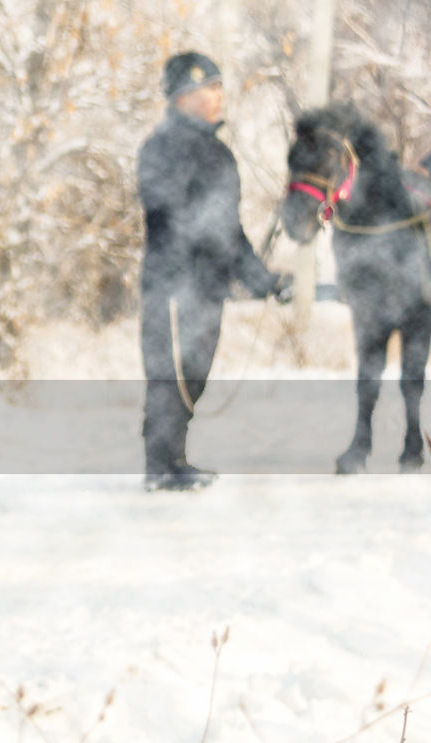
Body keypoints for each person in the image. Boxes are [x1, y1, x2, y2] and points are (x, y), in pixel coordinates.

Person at [136, 51, 290, 492]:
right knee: (169, 374)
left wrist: (262, 279)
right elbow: (166, 211)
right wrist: (202, 252)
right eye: (209, 87)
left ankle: (172, 459)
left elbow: (229, 227)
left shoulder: (219, 153)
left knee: (194, 374)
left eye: (220, 86)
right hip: (170, 283)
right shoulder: (160, 146)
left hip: (207, 286)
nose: (218, 95)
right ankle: (160, 465)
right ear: (182, 95)